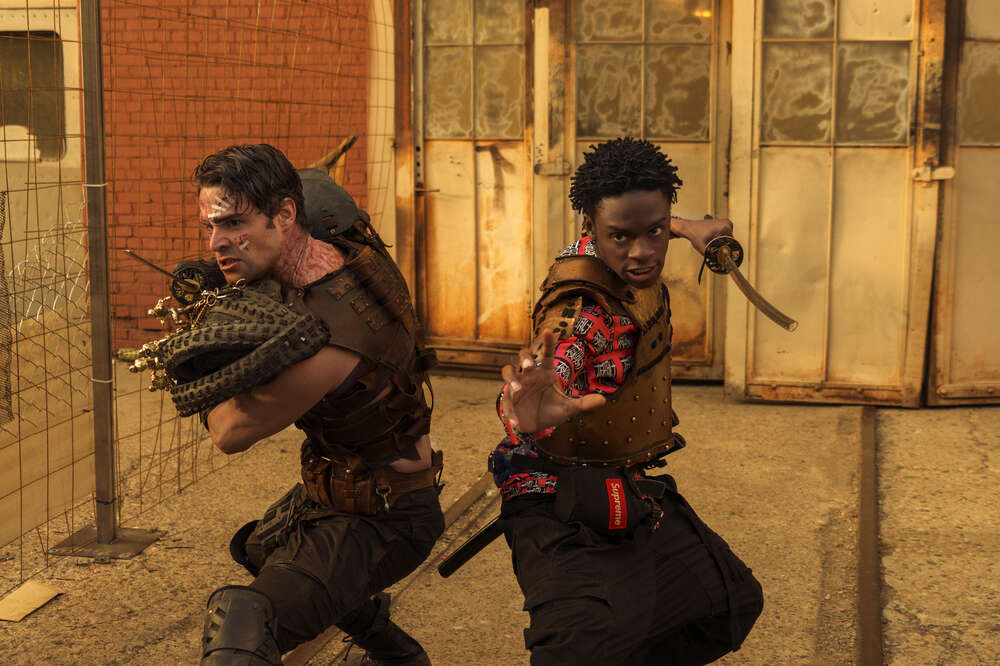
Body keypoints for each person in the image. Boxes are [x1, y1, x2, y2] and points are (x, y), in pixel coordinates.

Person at [490, 137, 764, 665]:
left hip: (623, 485)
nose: (642, 252)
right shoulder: (584, 310)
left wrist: (688, 228)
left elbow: (641, 222)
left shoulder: (620, 243)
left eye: (655, 231)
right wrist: (523, 407)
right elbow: (558, 351)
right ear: (591, 228)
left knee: (727, 602)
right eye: (621, 236)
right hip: (560, 506)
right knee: (576, 655)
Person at [189, 144, 443, 665]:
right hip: (346, 484)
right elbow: (316, 182)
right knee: (260, 547)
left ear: (285, 214)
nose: (217, 244)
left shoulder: (324, 342)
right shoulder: (333, 239)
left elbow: (228, 433)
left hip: (387, 518)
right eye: (210, 226)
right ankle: (398, 656)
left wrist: (198, 364)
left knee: (243, 625)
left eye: (234, 224)